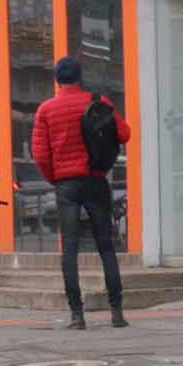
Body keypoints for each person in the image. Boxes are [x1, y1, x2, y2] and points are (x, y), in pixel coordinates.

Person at [30, 55, 132, 329]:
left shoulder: (46, 110)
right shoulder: (98, 103)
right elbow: (125, 134)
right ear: (79, 77)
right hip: (97, 181)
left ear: (57, 79)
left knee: (70, 249)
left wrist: (56, 178)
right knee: (106, 247)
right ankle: (116, 312)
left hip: (67, 185)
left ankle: (77, 315)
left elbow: (40, 153)